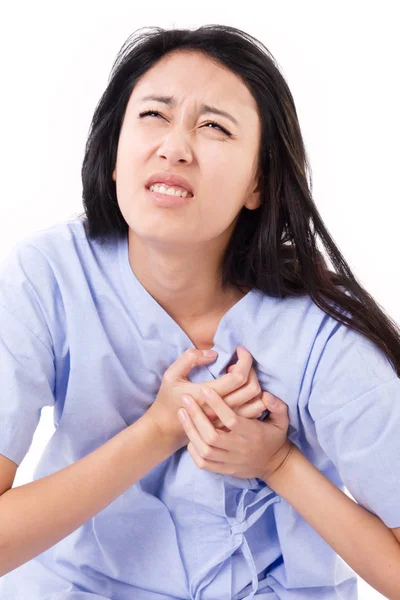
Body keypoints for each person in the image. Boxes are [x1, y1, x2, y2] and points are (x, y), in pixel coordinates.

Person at [0, 23, 399, 600]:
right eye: (154, 116)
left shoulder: (321, 330)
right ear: (114, 155)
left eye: (213, 126)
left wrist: (280, 463)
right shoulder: (48, 275)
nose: (175, 146)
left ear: (257, 182)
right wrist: (161, 429)